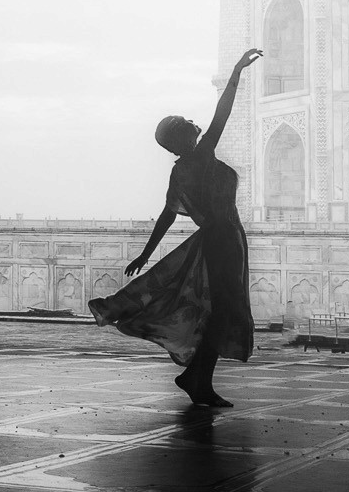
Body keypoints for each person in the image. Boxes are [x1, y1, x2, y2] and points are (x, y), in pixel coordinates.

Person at [89, 46, 263, 407]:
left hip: (217, 240)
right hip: (224, 240)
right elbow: (222, 113)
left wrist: (145, 254)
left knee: (216, 311)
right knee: (222, 312)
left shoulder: (180, 171)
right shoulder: (200, 156)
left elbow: (167, 215)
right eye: (186, 126)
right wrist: (235, 72)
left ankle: (197, 378)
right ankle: (197, 379)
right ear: (183, 139)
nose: (193, 126)